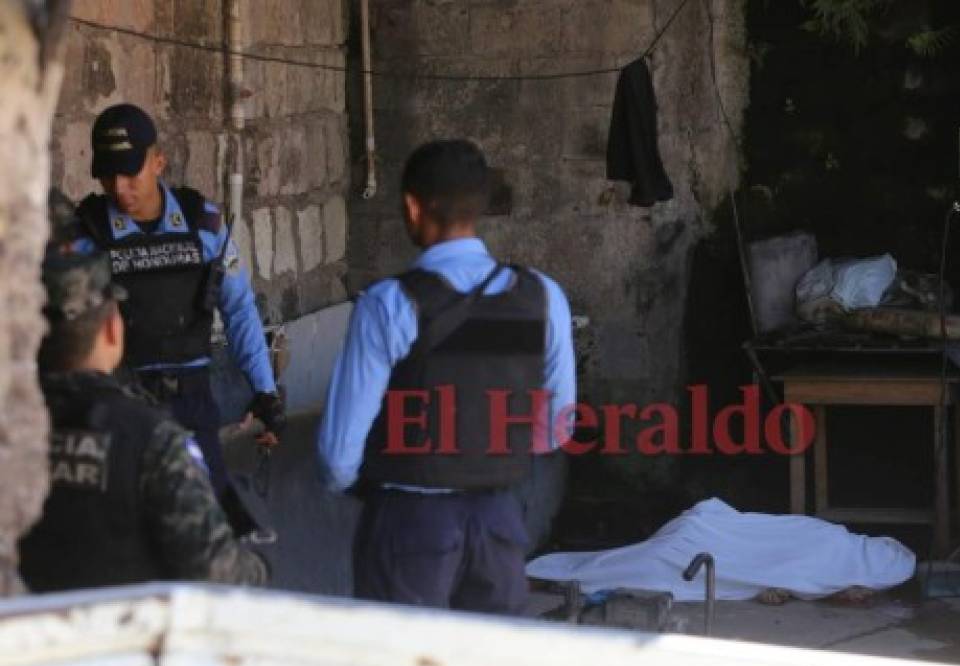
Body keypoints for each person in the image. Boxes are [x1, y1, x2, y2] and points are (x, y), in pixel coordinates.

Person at [318, 139, 576, 614]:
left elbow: (338, 456)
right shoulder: (543, 297)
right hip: (498, 523)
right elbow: (557, 426)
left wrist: (380, 487)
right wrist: (489, 458)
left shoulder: (390, 304)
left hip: (408, 528)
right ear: (479, 208)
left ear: (413, 208)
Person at [18, 193, 269, 593]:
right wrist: (258, 569)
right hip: (116, 645)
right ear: (113, 330)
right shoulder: (152, 441)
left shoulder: (13, 429)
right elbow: (217, 571)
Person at [71, 103, 284, 496]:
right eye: (107, 174)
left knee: (207, 519)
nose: (119, 187)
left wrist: (265, 392)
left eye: (130, 172)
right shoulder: (87, 235)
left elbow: (238, 309)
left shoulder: (202, 223)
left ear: (158, 162)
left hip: (192, 401)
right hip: (118, 406)